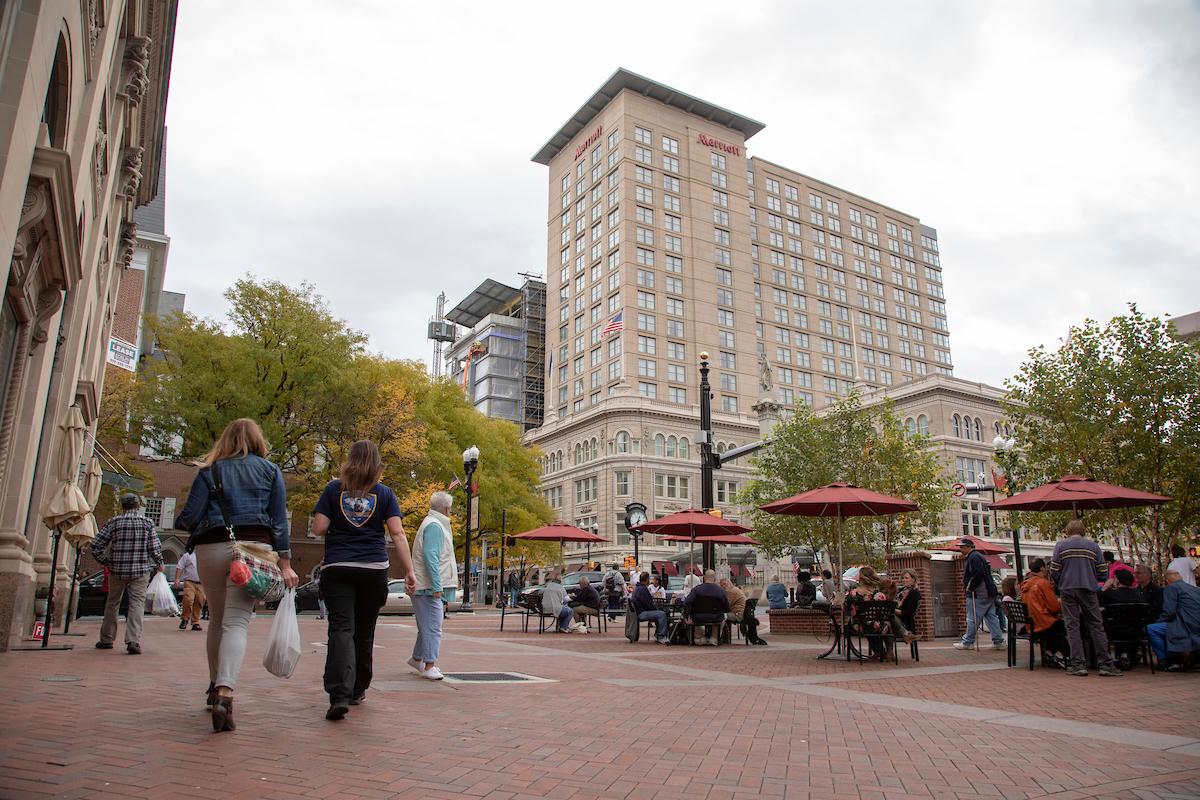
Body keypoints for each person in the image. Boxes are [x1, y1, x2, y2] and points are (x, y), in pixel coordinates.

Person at [175, 418, 299, 732]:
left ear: (225, 441)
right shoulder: (271, 471)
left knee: (215, 618)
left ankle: (213, 684)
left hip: (212, 548)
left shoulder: (209, 472)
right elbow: (279, 521)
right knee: (236, 622)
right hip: (253, 549)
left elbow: (189, 518)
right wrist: (284, 563)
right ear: (258, 441)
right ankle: (225, 693)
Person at [312, 440, 416, 719]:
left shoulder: (334, 489)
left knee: (341, 629)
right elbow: (397, 534)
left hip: (339, 566)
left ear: (349, 460)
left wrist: (338, 523)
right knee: (365, 631)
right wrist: (409, 571)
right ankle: (358, 688)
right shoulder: (384, 494)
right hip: (373, 568)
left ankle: (338, 694)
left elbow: (319, 527)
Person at [91, 494, 164, 655]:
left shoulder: (113, 522)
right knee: (136, 604)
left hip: (116, 570)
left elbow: (95, 545)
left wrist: (105, 561)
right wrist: (159, 562)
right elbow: (155, 548)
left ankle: (107, 639)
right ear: (138, 506)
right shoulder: (147, 523)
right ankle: (133, 641)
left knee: (112, 603)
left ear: (123, 506)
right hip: (140, 570)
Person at [1049, 519, 1122, 677]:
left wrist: (1059, 582)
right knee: (1096, 624)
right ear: (1083, 531)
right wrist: (1095, 580)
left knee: (1072, 625)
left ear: (1067, 531)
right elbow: (1103, 570)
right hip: (1088, 588)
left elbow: (1054, 570)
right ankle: (1105, 663)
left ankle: (1078, 663)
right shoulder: (1093, 546)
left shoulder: (1061, 546)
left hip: (1067, 588)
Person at [408, 490, 460, 679]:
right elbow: (432, 557)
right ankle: (430, 665)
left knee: (427, 625)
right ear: (447, 509)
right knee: (433, 626)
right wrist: (437, 586)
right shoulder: (436, 526)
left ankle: (417, 658)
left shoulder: (430, 523)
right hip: (427, 588)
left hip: (423, 586)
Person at [953, 538, 1005, 651]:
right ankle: (998, 641)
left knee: (972, 618)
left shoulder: (973, 557)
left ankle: (968, 642)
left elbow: (978, 573)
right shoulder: (978, 556)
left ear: (968, 547)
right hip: (988, 591)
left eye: (962, 547)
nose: (960, 549)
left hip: (979, 593)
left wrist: (970, 586)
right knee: (991, 617)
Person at [1018, 558, 1069, 668]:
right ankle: (1061, 655)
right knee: (1070, 627)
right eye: (1046, 567)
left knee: (1059, 626)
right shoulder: (1043, 583)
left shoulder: (1025, 584)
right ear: (1042, 568)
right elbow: (1054, 607)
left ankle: (1050, 652)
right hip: (1044, 622)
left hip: (1031, 625)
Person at [1146, 570, 1200, 671]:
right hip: (1196, 624)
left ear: (1167, 580)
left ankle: (1167, 660)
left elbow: (1169, 611)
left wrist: (1158, 621)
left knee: (1151, 629)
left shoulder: (1171, 588)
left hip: (1185, 624)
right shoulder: (1195, 589)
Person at [1099, 567, 1150, 669]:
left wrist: (1105, 587)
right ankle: (1128, 655)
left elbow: (1097, 600)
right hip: (1137, 631)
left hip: (1115, 631)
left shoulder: (1110, 594)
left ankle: (1122, 655)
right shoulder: (1139, 595)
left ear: (1117, 580)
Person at [682, 570, 729, 645]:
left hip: (698, 617)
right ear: (714, 578)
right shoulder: (720, 590)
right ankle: (714, 638)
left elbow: (687, 602)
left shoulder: (696, 589)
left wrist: (686, 616)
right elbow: (726, 607)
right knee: (724, 618)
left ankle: (699, 638)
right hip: (716, 617)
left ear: (704, 578)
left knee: (696, 623)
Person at [629, 572, 669, 644]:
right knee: (661, 614)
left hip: (637, 612)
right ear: (646, 579)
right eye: (649, 578)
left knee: (658, 613)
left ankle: (658, 633)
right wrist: (656, 610)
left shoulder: (638, 588)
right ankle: (661, 636)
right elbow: (649, 604)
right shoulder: (643, 589)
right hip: (641, 613)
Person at [173, 549, 204, 631]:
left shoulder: (206, 555)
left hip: (202, 583)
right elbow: (179, 567)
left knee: (200, 601)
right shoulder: (188, 555)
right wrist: (177, 579)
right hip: (189, 582)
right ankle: (185, 618)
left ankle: (195, 622)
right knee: (188, 599)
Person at [897, 569, 922, 636]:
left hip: (905, 622)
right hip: (896, 620)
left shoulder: (914, 593)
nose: (904, 580)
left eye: (906, 578)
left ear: (913, 579)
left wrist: (894, 611)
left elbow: (908, 613)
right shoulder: (901, 591)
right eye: (903, 578)